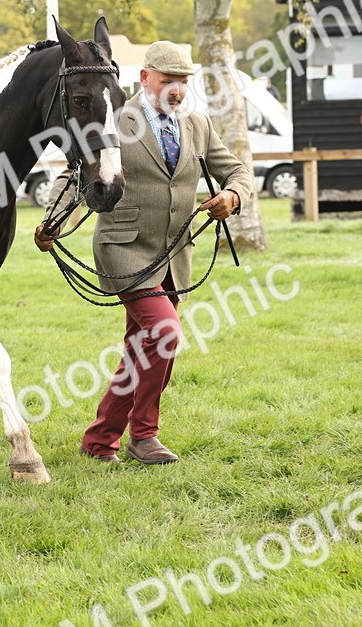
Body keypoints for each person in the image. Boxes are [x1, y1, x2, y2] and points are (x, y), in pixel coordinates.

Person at [35, 41, 254, 465]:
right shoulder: (116, 119)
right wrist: (52, 221)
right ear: (146, 78)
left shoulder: (198, 124)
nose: (176, 90)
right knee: (166, 333)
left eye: (183, 82)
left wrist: (233, 195)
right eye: (168, 81)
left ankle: (99, 440)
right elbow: (75, 171)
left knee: (142, 346)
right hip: (124, 248)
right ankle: (144, 435)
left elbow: (238, 171)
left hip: (174, 255)